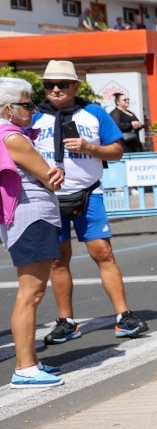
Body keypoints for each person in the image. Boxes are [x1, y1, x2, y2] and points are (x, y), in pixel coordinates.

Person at [32, 60, 148, 345]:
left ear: (75, 86)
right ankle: (66, 321)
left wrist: (90, 148)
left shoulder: (93, 113)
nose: (55, 89)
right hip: (49, 197)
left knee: (103, 252)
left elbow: (117, 151)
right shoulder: (34, 116)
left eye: (62, 84)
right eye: (49, 85)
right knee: (58, 260)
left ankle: (124, 316)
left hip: (88, 193)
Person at [0, 78, 66, 387]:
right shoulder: (13, 138)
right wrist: (57, 173)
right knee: (31, 292)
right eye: (27, 105)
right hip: (31, 218)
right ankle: (25, 367)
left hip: (30, 217)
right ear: (8, 110)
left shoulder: (14, 135)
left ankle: (30, 361)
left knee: (33, 291)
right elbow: (51, 179)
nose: (33, 109)